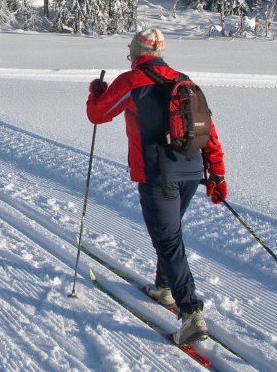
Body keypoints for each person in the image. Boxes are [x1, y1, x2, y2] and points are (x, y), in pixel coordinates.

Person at [85, 27, 226, 345]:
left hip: (157, 175)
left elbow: (98, 113)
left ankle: (191, 313)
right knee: (170, 235)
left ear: (136, 53)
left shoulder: (132, 80)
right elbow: (209, 129)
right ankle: (164, 287)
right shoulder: (183, 79)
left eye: (130, 51)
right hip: (191, 172)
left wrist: (96, 91)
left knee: (169, 241)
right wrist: (216, 174)